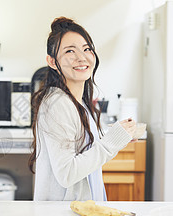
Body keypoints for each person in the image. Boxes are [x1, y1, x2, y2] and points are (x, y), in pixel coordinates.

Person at [29, 17, 136, 201]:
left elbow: (86, 155)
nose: (82, 57)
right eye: (70, 51)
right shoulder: (57, 104)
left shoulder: (79, 103)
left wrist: (119, 136)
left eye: (87, 49)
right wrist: (112, 141)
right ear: (52, 62)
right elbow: (67, 174)